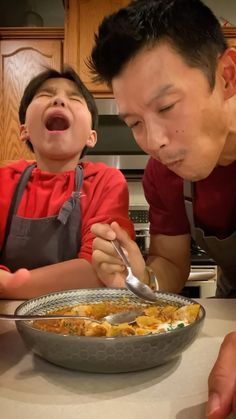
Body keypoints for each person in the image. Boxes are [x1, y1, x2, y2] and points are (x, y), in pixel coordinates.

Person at [87, 0, 236, 417]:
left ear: (226, 77)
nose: (153, 141)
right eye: (134, 122)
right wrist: (141, 275)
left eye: (167, 107)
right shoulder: (164, 174)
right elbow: (172, 261)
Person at [0, 66, 134, 299]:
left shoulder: (105, 181)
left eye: (74, 98)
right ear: (24, 131)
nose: (59, 101)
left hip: (81, 321)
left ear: (91, 136)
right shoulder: (4, 179)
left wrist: (11, 283)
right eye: (45, 95)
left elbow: (99, 269)